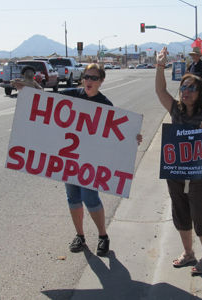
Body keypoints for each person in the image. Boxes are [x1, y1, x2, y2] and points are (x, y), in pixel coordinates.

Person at [59, 63, 142, 257]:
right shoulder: (71, 94)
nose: (89, 81)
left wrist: (132, 139)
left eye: (94, 78)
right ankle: (80, 235)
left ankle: (103, 236)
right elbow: (44, 101)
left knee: (90, 197)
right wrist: (27, 89)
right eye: (87, 77)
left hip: (91, 159)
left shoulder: (105, 104)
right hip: (69, 157)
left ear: (101, 81)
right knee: (73, 197)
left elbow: (116, 134)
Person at [155, 47, 202, 275]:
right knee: (180, 212)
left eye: (191, 88)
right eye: (183, 87)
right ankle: (188, 253)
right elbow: (161, 91)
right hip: (176, 171)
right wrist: (159, 66)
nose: (186, 91)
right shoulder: (176, 110)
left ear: (200, 92)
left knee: (201, 214)